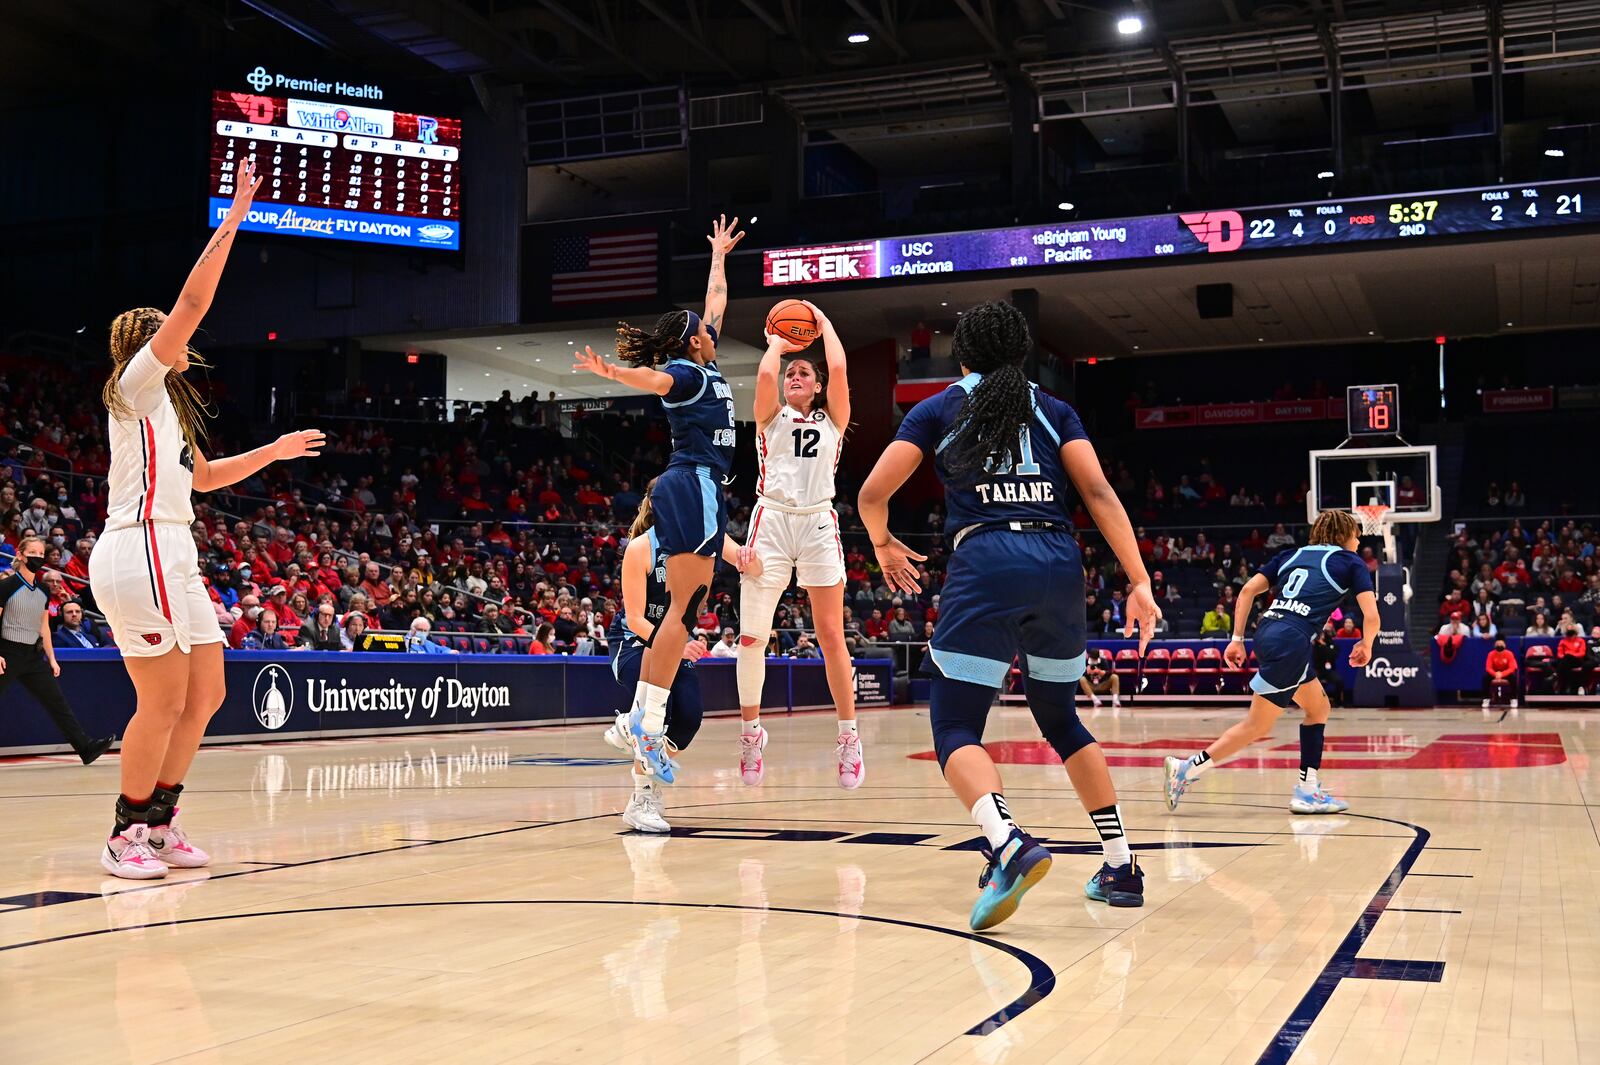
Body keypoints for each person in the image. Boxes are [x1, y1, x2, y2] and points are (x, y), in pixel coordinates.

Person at [859, 299, 1160, 929]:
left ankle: (1006, 842)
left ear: (961, 355)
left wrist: (884, 543)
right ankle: (1122, 865)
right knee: (1060, 717)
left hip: (988, 559)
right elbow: (1099, 493)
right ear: (1021, 354)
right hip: (1056, 561)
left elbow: (871, 494)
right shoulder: (1054, 410)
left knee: (955, 724)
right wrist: (1137, 579)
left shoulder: (939, 408)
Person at [87, 163, 326, 879]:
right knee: (161, 698)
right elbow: (191, 302)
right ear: (149, 343)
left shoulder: (168, 413)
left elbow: (210, 477)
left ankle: (160, 821)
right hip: (138, 549)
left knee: (209, 691)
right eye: (168, 333)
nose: (183, 336)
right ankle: (122, 833)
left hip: (174, 547)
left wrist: (275, 451)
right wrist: (235, 218)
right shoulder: (133, 385)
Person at [573, 214, 743, 783]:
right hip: (691, 482)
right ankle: (642, 722)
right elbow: (654, 380)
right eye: (705, 328)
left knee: (685, 611)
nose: (713, 327)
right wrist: (613, 372)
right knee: (682, 611)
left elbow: (715, 301)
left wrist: (718, 254)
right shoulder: (685, 374)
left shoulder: (706, 361)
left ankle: (641, 722)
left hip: (700, 488)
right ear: (692, 340)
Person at [1165, 510, 1380, 817]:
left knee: (1318, 709)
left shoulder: (1291, 555)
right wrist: (1366, 643)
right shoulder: (1349, 562)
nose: (1359, 541)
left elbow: (1248, 590)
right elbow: (1371, 616)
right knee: (1258, 725)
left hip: (1268, 631)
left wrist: (1237, 638)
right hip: (1292, 641)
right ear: (1344, 535)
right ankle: (1186, 769)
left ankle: (1308, 789)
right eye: (1356, 535)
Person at [734, 301, 860, 788]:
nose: (794, 376)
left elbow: (842, 367)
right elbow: (766, 378)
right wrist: (775, 344)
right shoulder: (770, 416)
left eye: (804, 372)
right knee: (752, 637)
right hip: (772, 520)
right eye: (791, 372)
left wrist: (824, 323)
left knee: (831, 635)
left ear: (818, 385)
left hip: (817, 524)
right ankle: (750, 733)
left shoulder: (833, 421)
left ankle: (848, 737)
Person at [601, 484, 758, 831]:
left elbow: (746, 559)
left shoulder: (700, 541)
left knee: (688, 717)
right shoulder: (641, 548)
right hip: (634, 642)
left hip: (673, 643)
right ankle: (643, 794)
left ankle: (633, 734)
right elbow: (637, 619)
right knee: (661, 711)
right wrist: (675, 643)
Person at [0, 536, 114, 765]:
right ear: (20, 555)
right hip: (7, 652)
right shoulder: (6, 586)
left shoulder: (42, 589)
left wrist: (51, 659)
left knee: (57, 702)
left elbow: (44, 627)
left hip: (33, 656)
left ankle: (86, 748)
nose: (38, 558)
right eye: (33, 552)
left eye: (41, 554)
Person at [1311, 626, 1344, 708]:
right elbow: (1316, 657)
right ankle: (1314, 702)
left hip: (1329, 671)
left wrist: (1323, 645)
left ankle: (1337, 701)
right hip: (1318, 669)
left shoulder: (1332, 644)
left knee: (1339, 681)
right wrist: (1319, 645)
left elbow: (1333, 654)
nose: (1322, 636)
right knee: (1311, 682)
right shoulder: (1315, 646)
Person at [1483, 639, 1519, 711]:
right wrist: (1495, 673)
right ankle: (1486, 699)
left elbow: (1512, 668)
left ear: (1505, 645)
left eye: (1501, 644)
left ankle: (1513, 699)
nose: (1499, 645)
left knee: (1513, 678)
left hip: (1505, 672)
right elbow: (1488, 667)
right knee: (1485, 677)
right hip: (1495, 672)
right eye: (1497, 644)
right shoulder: (1491, 654)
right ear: (1495, 645)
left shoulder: (1509, 654)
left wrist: (1502, 674)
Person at [1555, 626, 1588, 694]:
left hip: (1577, 661)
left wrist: (1570, 655)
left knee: (1567, 658)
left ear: (1575, 634)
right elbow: (1559, 654)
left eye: (1572, 634)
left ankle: (1556, 675)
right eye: (1569, 634)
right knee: (1565, 662)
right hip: (1565, 662)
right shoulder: (1563, 641)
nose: (1570, 636)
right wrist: (1565, 656)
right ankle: (1572, 686)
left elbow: (1582, 653)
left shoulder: (1580, 640)